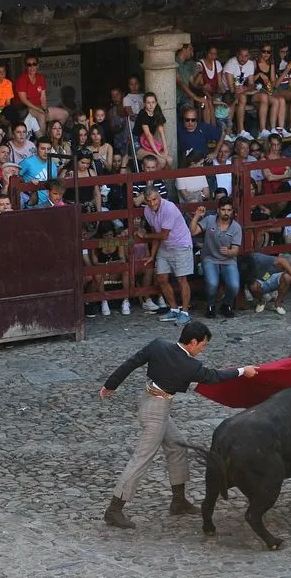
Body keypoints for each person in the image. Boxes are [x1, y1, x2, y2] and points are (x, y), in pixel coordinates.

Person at [99, 321, 258, 529]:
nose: (203, 349)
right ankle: (114, 509)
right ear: (193, 342)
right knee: (141, 459)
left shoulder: (159, 345)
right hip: (156, 411)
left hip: (150, 402)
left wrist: (110, 385)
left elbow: (131, 363)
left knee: (177, 446)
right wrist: (242, 371)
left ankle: (178, 501)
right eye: (203, 344)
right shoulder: (189, 365)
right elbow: (213, 376)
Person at [140, 187, 193, 324]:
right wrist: (153, 254)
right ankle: (174, 309)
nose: (152, 203)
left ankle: (185, 312)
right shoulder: (147, 210)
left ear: (159, 197)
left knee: (182, 279)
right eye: (148, 200)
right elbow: (157, 233)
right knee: (162, 277)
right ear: (145, 200)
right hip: (166, 245)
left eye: (154, 199)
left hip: (180, 244)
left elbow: (163, 234)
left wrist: (145, 235)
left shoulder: (169, 208)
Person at [189, 199, 242, 319]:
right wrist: (197, 216)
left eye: (229, 210)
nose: (226, 213)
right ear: (218, 210)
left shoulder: (236, 227)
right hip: (209, 258)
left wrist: (229, 252)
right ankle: (210, 305)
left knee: (234, 285)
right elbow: (193, 231)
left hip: (228, 260)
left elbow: (236, 250)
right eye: (223, 210)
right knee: (212, 283)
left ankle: (226, 305)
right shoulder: (209, 220)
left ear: (232, 212)